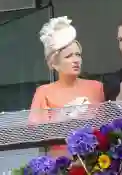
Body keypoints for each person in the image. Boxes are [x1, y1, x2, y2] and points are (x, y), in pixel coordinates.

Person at [29, 16, 105, 158]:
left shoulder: (96, 87)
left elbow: (106, 128)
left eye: (78, 55)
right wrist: (63, 116)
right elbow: (36, 133)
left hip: (94, 162)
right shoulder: (44, 92)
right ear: (54, 64)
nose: (76, 60)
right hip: (61, 163)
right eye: (69, 56)